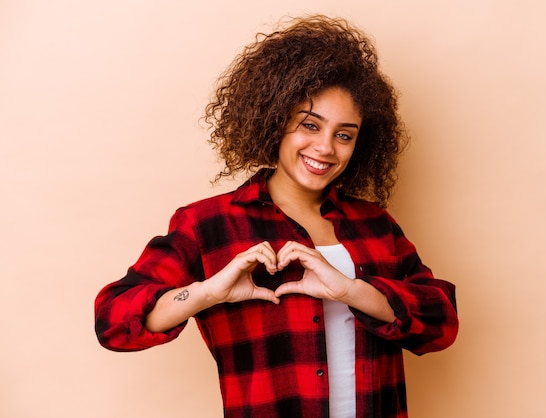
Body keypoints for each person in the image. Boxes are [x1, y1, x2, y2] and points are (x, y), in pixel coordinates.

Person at [95, 14, 459, 418]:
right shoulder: (208, 224)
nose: (325, 147)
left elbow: (441, 322)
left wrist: (351, 290)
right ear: (275, 121)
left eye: (344, 134)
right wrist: (206, 293)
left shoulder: (374, 224)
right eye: (309, 125)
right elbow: (114, 322)